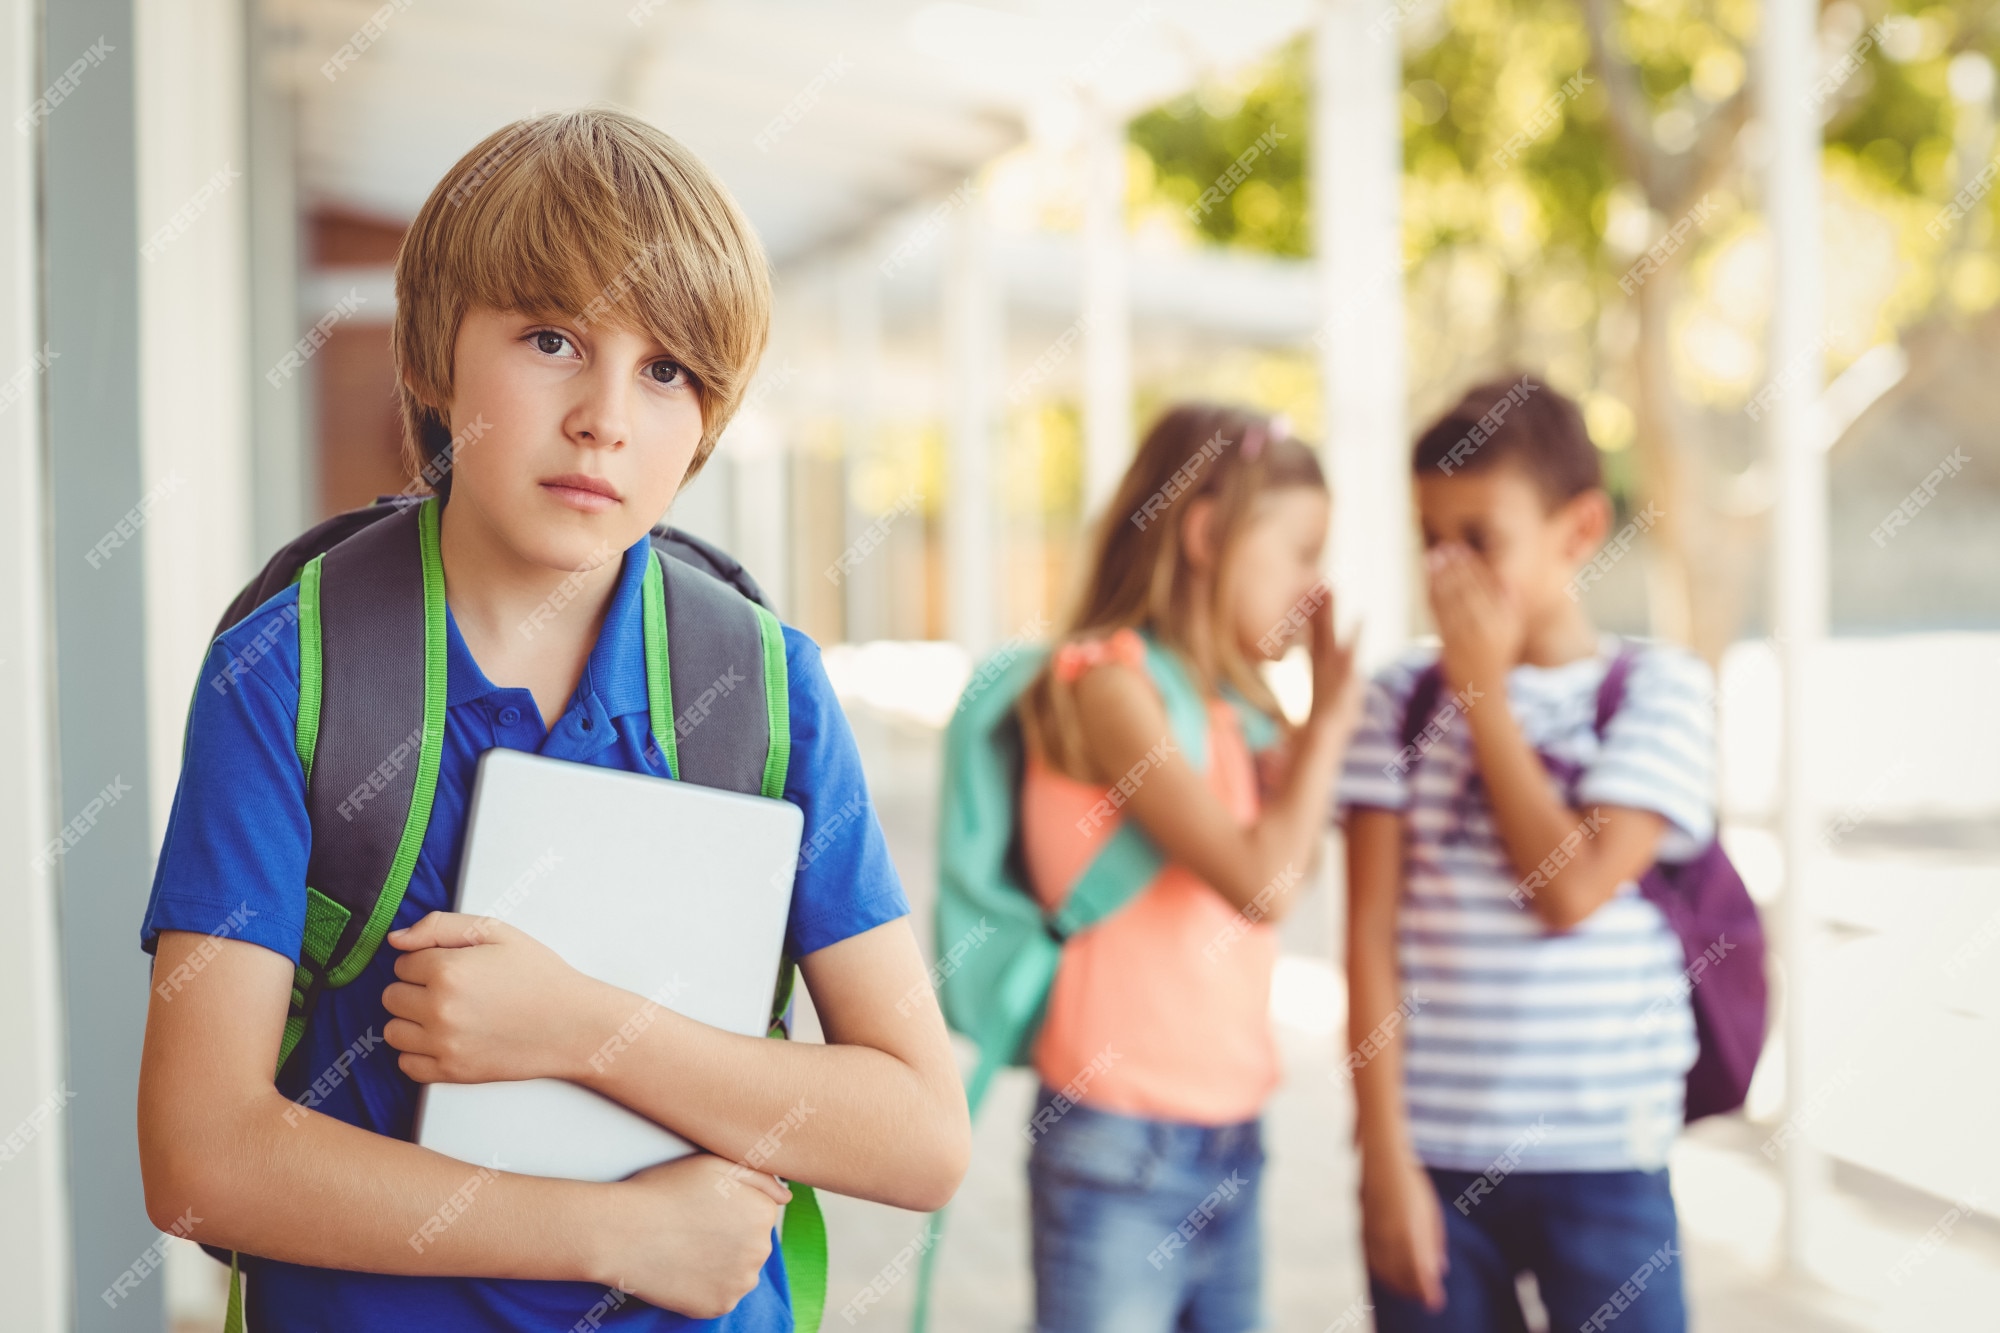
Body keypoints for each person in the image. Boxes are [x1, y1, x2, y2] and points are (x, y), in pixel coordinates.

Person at [136, 109, 968, 1331]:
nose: (604, 417)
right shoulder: (290, 674)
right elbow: (200, 1158)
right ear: (430, 357)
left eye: (667, 370)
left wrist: (584, 1028)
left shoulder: (762, 689)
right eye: (549, 339)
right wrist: (618, 1234)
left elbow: (921, 1136)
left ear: (705, 424)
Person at [1339, 376, 1717, 1332]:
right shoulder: (1397, 699)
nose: (1446, 568)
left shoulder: (1657, 693)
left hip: (1606, 1159)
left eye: (1480, 539)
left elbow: (1572, 891)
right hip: (1436, 1155)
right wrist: (1382, 1160)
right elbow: (1369, 937)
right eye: (1431, 536)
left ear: (1579, 531)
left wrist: (1484, 699)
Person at [1012, 403, 1361, 1333]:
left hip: (1234, 1136)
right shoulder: (1108, 683)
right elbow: (1265, 884)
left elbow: (1295, 860)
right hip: (1116, 1145)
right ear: (1205, 534)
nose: (1315, 588)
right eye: (1301, 551)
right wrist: (1324, 725)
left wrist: (1295, 743)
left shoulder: (1232, 707)